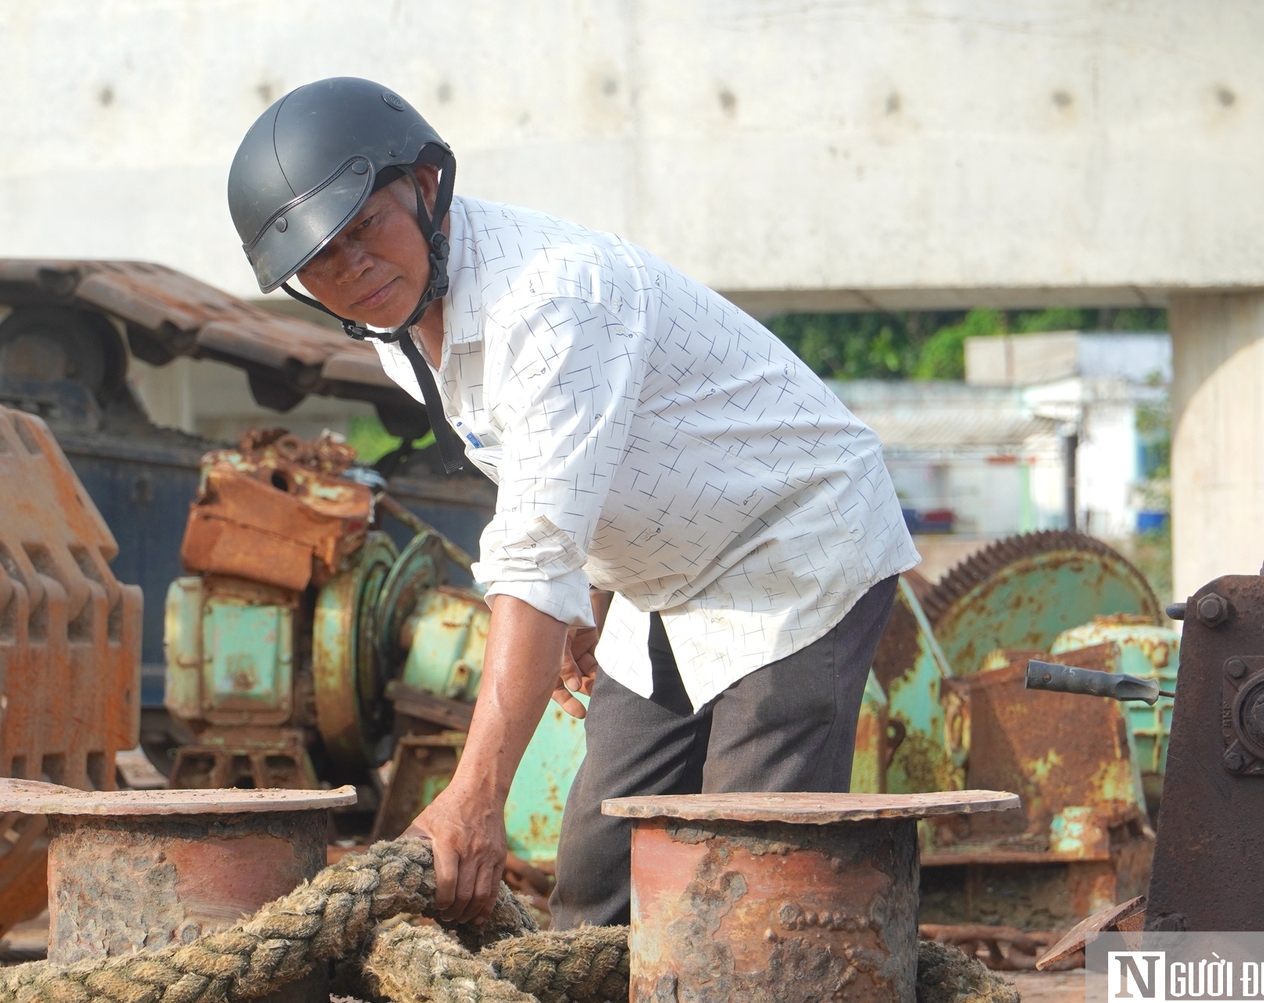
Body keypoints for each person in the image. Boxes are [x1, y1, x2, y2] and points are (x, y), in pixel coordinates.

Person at [227, 77, 919, 927]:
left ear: (427, 186)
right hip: (665, 574)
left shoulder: (552, 301)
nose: (352, 270)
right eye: (319, 261)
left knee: (747, 862)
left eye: (365, 228)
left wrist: (474, 794)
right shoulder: (400, 331)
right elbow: (565, 471)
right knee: (600, 860)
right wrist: (592, 593)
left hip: (792, 541)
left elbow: (535, 544)